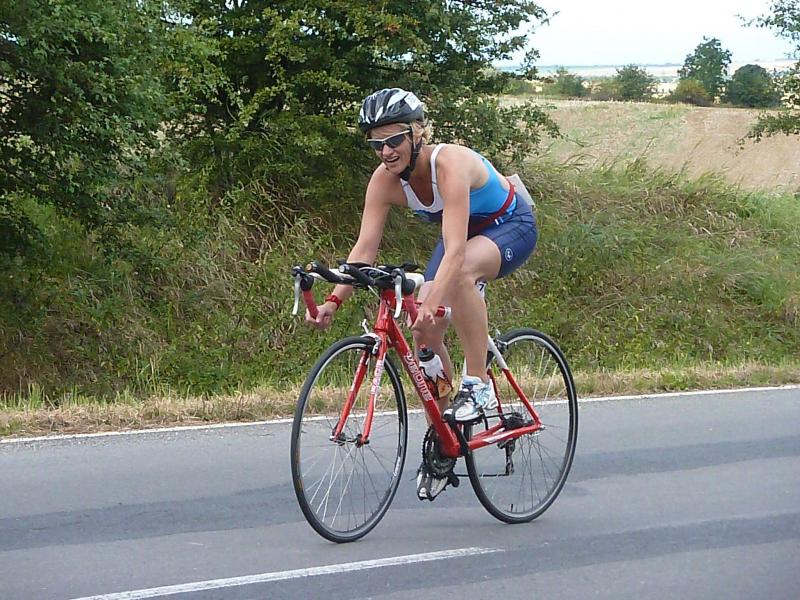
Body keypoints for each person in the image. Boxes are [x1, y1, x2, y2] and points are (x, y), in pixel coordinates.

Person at [306, 88, 538, 500]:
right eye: (376, 143)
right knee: (424, 333)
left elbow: (456, 253)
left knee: (458, 275)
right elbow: (364, 249)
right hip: (461, 236)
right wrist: (333, 301)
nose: (386, 151)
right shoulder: (383, 181)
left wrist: (433, 299)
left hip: (509, 223)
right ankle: (444, 435)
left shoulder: (448, 164)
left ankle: (478, 382)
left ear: (418, 132)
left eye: (394, 139)